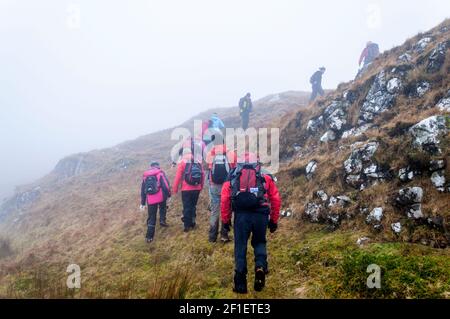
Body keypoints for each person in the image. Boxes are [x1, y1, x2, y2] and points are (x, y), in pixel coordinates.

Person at [220, 152, 281, 294]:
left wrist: (225, 220)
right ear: (257, 162)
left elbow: (224, 199)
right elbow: (275, 199)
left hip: (241, 216)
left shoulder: (234, 175)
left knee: (240, 246)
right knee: (260, 242)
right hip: (261, 215)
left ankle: (240, 283)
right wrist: (273, 220)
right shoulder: (265, 175)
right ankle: (260, 266)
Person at [205, 135, 237, 243]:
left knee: (214, 211)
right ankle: (224, 235)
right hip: (227, 185)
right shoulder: (231, 153)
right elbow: (235, 169)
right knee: (226, 209)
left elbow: (208, 168)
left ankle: (212, 237)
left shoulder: (210, 154)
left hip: (214, 186)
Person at [172, 142, 205, 232]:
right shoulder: (198, 161)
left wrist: (175, 189)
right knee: (193, 205)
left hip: (186, 189)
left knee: (187, 206)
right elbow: (203, 174)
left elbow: (178, 177)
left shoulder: (182, 162)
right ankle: (193, 223)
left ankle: (187, 226)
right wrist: (201, 186)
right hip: (197, 188)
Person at [140, 161, 171, 243]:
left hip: (150, 199)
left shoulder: (145, 176)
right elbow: (166, 186)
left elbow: (143, 190)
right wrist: (169, 195)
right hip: (161, 197)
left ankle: (149, 237)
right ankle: (162, 221)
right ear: (158, 166)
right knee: (163, 207)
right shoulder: (160, 173)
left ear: (151, 166)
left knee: (152, 217)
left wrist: (142, 203)